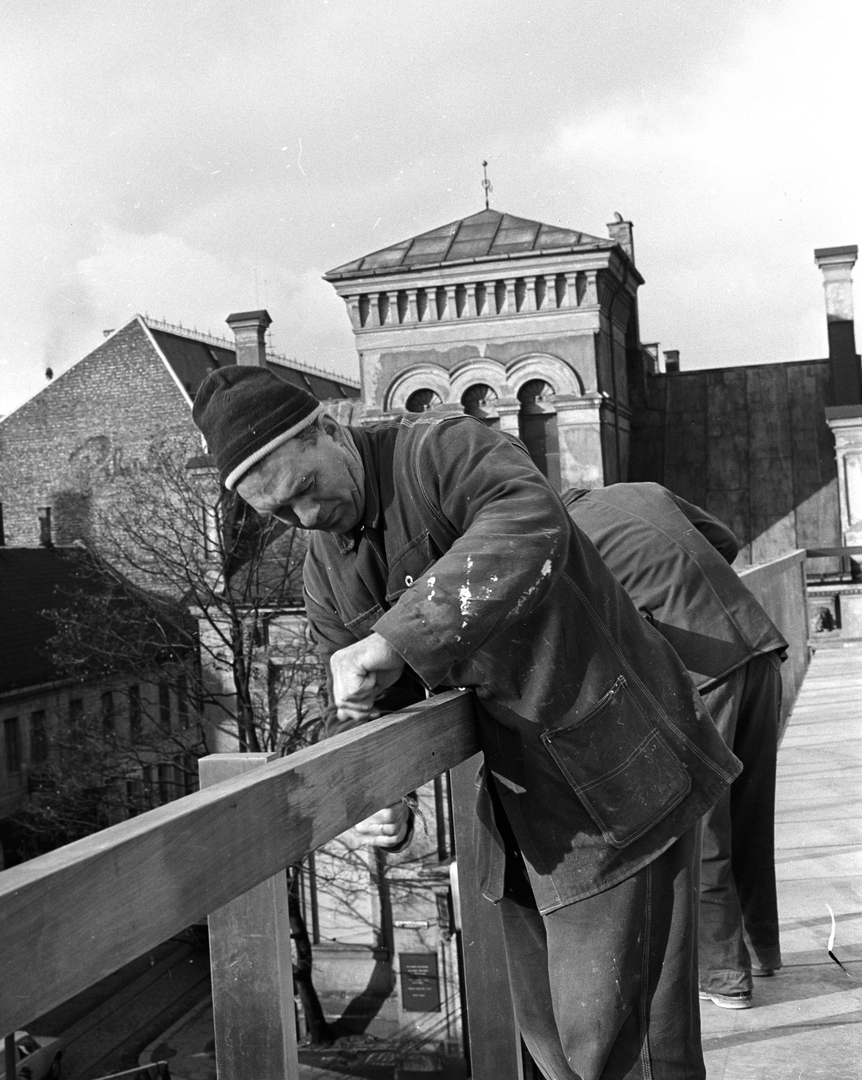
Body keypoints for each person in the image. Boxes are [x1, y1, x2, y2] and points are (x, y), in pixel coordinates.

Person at [192, 365, 741, 1080]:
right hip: (520, 811)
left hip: (618, 777)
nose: (305, 518)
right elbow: (356, 698)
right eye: (280, 514)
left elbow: (528, 517)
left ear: (328, 428)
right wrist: (369, 794)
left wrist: (395, 638)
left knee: (618, 1043)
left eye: (304, 490)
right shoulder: (325, 568)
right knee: (549, 1038)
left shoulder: (441, 449)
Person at [562, 483, 787, 1010]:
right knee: (752, 812)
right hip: (757, 645)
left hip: (705, 674)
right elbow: (724, 541)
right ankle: (765, 949)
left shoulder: (561, 540)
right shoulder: (641, 492)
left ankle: (725, 976)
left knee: (703, 826)